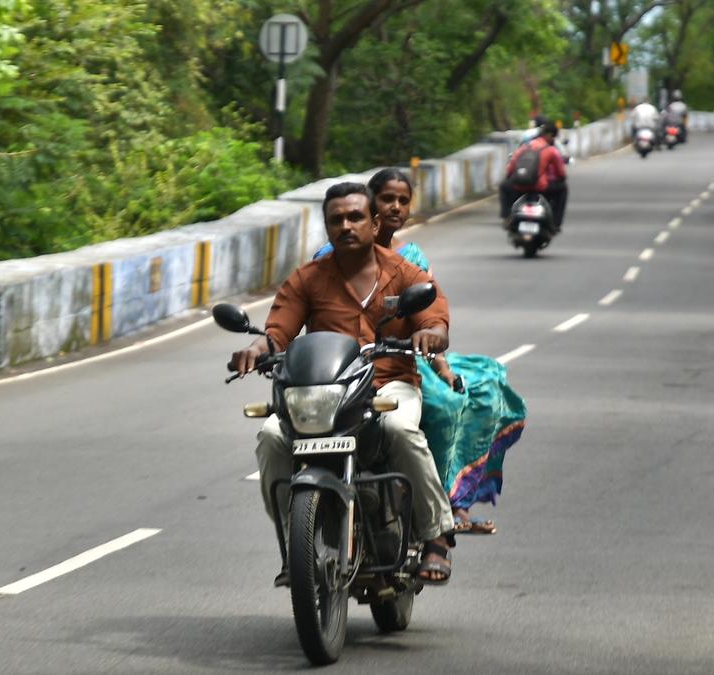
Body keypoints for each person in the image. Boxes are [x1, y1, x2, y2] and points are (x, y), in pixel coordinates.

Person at [230, 181, 457, 586]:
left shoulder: (405, 274)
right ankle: (295, 540)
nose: (346, 226)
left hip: (389, 385)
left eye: (355, 217)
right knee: (270, 436)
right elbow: (278, 329)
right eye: (337, 220)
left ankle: (437, 534)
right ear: (327, 227)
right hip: (328, 390)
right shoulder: (308, 278)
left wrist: (431, 334)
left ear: (373, 223)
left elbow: (433, 316)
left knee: (400, 429)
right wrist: (257, 346)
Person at [317, 170, 528, 536]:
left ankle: (442, 510)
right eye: (386, 199)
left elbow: (429, 317)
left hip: (399, 361)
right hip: (342, 369)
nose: (395, 207)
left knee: (453, 403)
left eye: (403, 200)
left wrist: (441, 365)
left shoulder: (411, 260)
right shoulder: (329, 258)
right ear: (371, 207)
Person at [503, 121, 568, 231]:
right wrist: (559, 179)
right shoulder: (551, 150)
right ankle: (556, 223)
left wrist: (510, 179)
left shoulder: (524, 147)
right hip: (540, 187)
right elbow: (561, 174)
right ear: (549, 135)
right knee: (563, 189)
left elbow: (510, 169)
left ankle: (507, 217)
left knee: (504, 187)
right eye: (553, 137)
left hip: (519, 185)